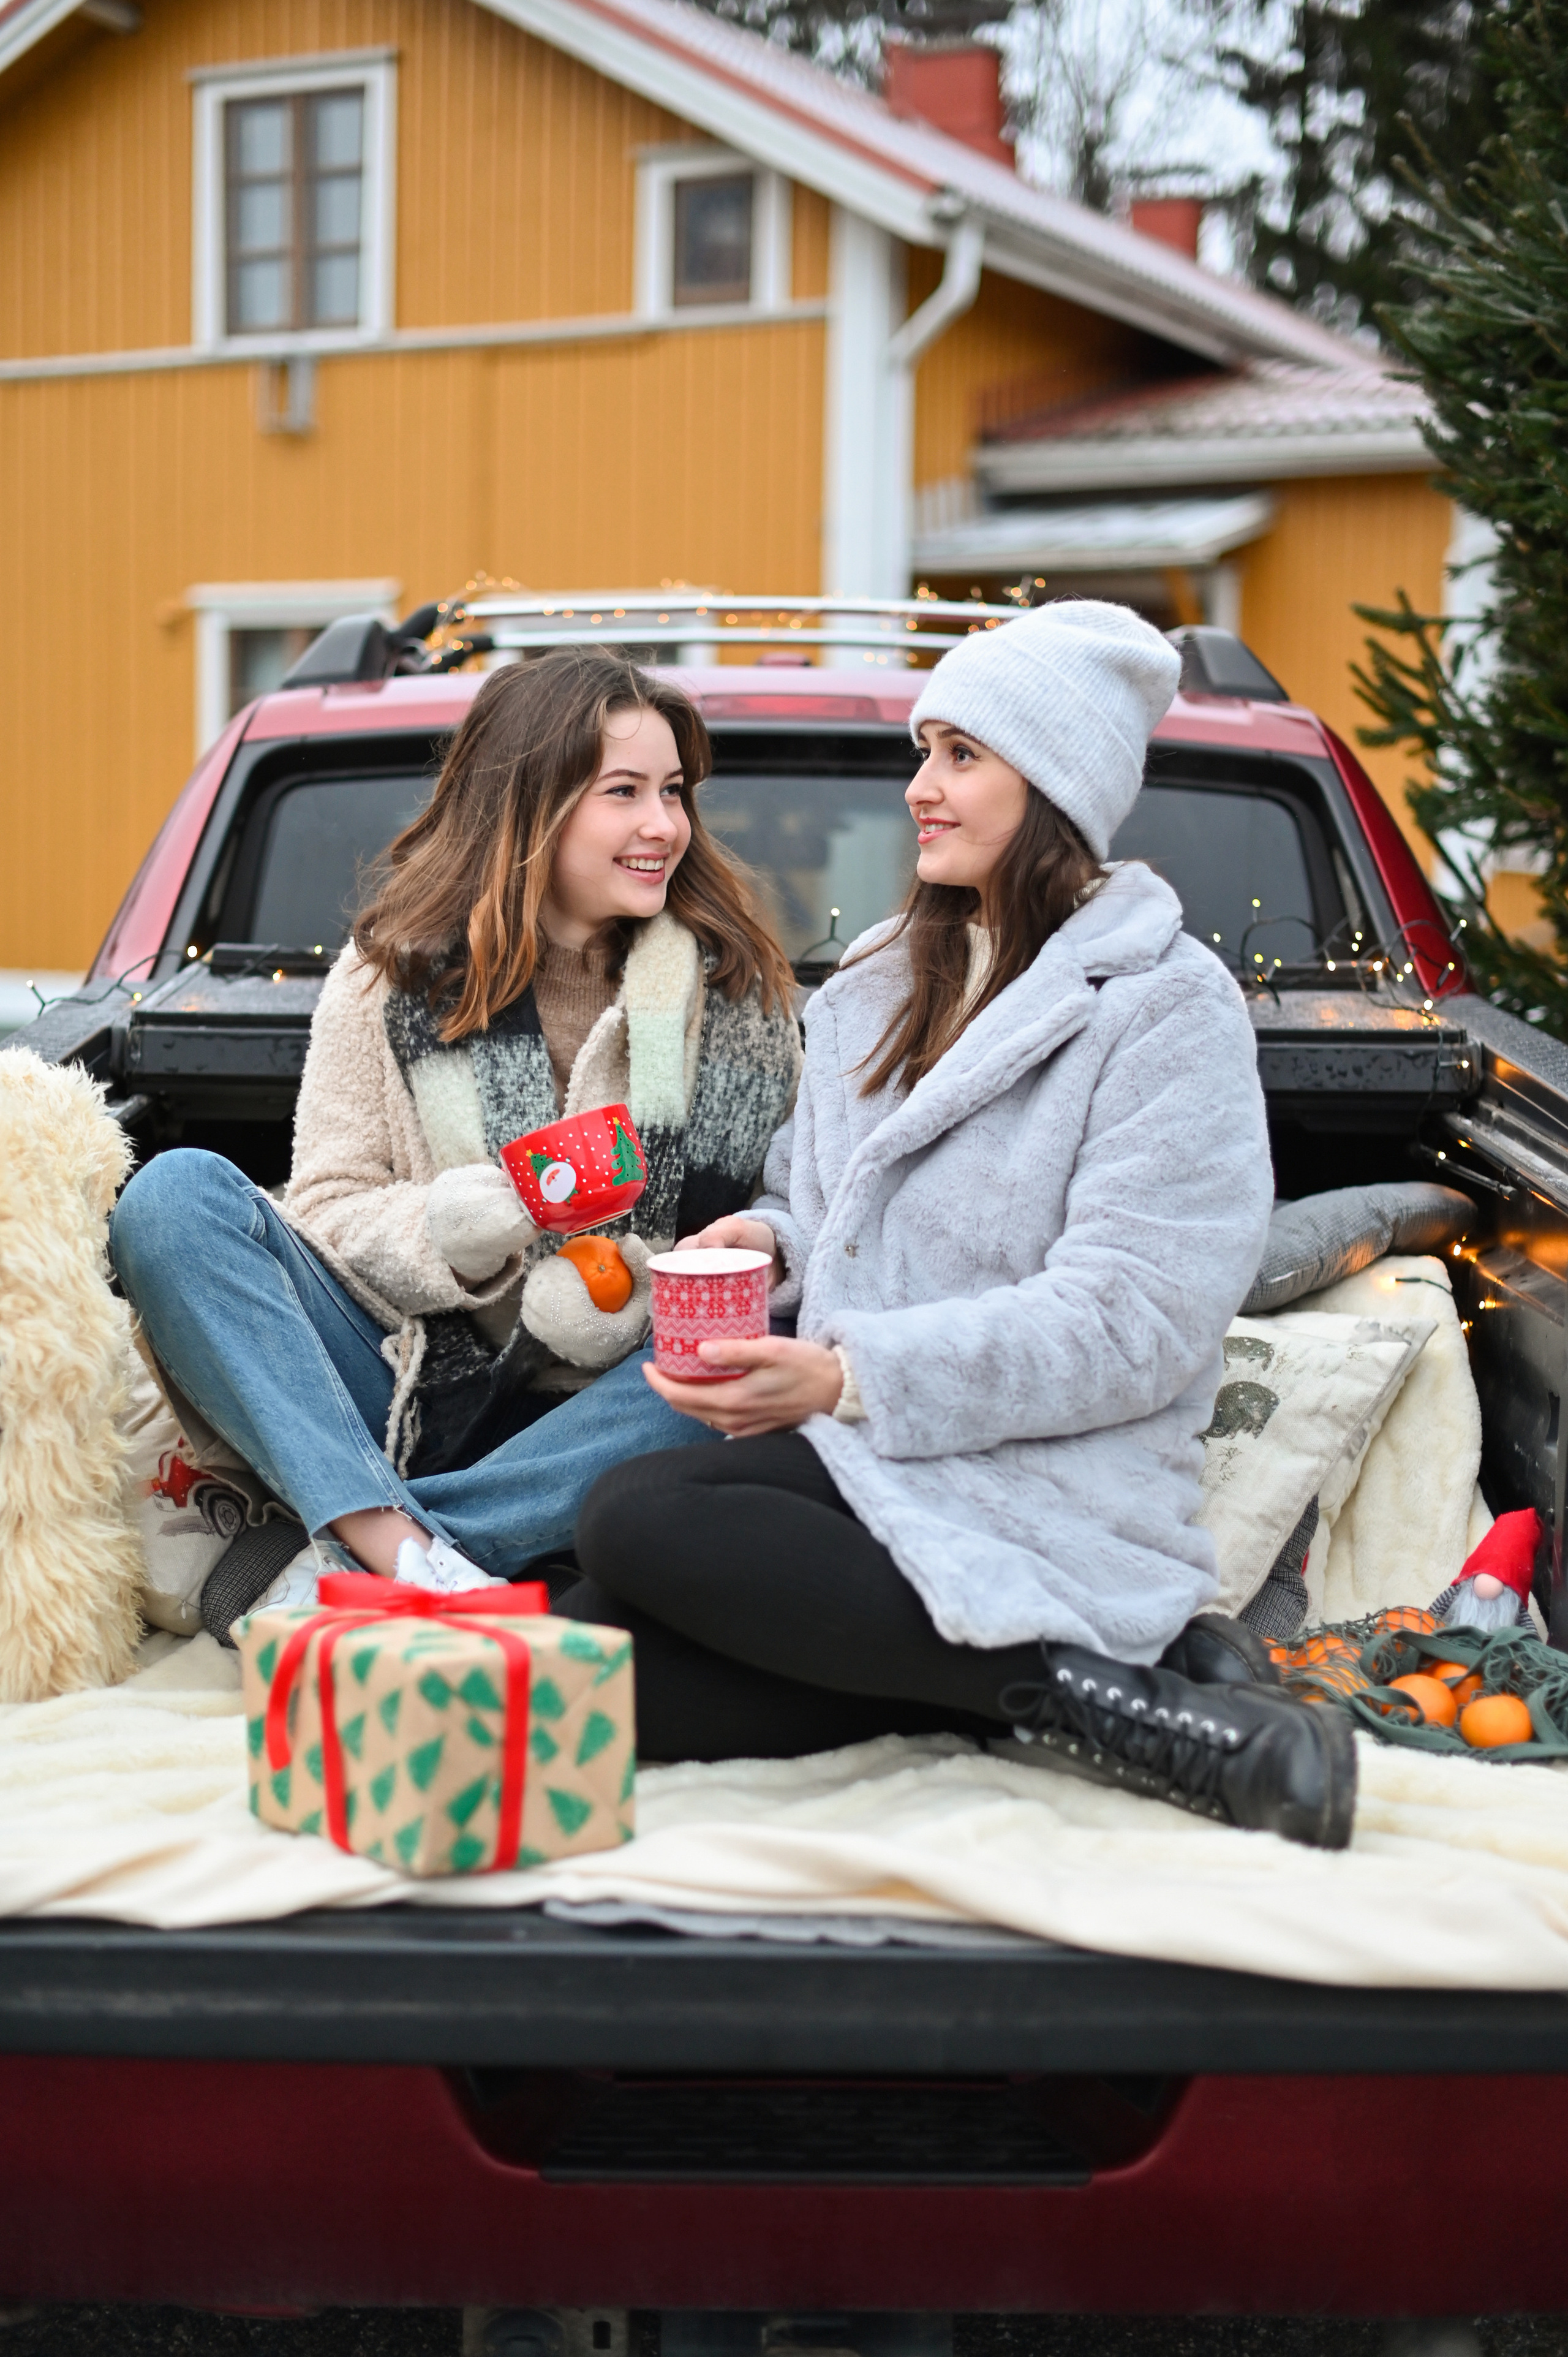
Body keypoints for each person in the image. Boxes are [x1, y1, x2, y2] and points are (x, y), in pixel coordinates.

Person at [562, 602, 1355, 1848]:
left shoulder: (1161, 1010)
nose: (918, 788)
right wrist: (765, 1245)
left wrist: (843, 1376)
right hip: (875, 1458)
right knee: (590, 1629)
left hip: (1038, 1479)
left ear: (1050, 782)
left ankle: (1103, 1707)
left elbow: (1132, 1321)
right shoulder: (880, 982)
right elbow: (822, 1207)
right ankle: (1099, 1703)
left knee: (633, 1520)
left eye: (959, 755)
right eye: (923, 751)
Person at [110, 648, 801, 1606]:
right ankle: (403, 1542)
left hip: (610, 1418)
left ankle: (373, 1553)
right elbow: (329, 1207)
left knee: (749, 1347)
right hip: (400, 1378)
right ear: (529, 805)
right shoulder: (384, 978)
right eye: (624, 792)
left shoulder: (745, 1002)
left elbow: (793, 1206)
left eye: (675, 791)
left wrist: (746, 1249)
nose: (663, 826)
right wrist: (467, 1223)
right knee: (173, 1199)